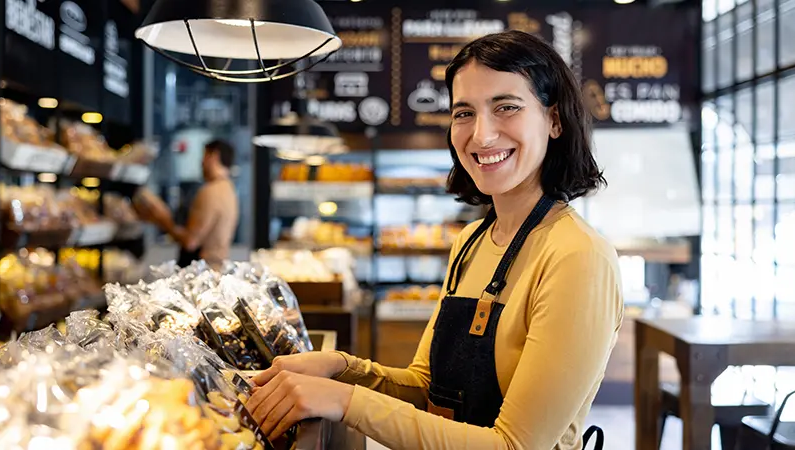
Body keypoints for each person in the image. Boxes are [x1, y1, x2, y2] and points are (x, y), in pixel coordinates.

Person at [246, 30, 623, 450]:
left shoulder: (577, 255)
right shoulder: (472, 240)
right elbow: (426, 387)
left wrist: (345, 399)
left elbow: (514, 445)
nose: (481, 135)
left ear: (554, 120)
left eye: (507, 107)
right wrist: (340, 368)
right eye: (464, 113)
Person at [153, 139, 239, 267]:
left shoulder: (211, 191)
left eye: (204, 156)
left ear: (214, 156)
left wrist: (162, 219)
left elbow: (190, 242)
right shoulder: (229, 190)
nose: (201, 163)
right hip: (216, 269)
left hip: (201, 272)